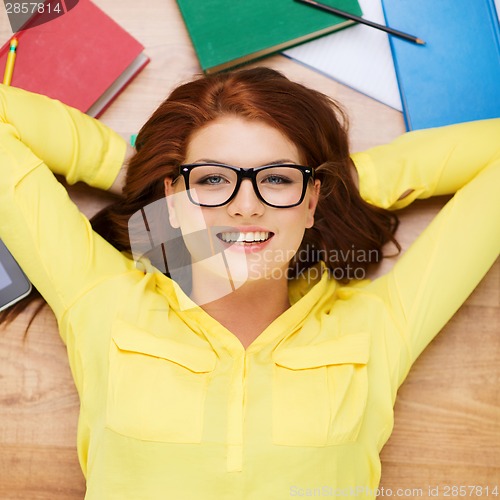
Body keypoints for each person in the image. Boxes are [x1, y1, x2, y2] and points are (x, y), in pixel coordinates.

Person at [0, 67, 498, 499]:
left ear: (310, 201)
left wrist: (345, 182)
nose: (245, 205)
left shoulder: (379, 327)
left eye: (277, 179)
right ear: (173, 200)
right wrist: (130, 169)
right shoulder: (102, 300)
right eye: (214, 179)